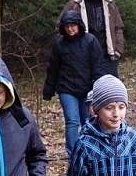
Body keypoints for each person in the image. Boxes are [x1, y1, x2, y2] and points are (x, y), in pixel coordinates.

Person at [43, 10, 105, 156]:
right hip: (66, 88)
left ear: (79, 25)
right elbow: (53, 69)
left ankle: (91, 150)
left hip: (87, 88)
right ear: (63, 28)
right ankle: (73, 154)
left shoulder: (90, 41)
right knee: (72, 121)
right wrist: (48, 90)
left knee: (88, 121)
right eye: (67, 26)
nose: (70, 29)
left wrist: (98, 85)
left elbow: (98, 65)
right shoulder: (59, 45)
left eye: (73, 26)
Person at [60, 0, 125, 77]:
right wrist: (71, 53)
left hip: (108, 58)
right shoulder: (74, 6)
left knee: (110, 91)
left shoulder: (110, 4)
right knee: (88, 91)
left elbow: (118, 27)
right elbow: (61, 29)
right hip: (83, 59)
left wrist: (118, 50)